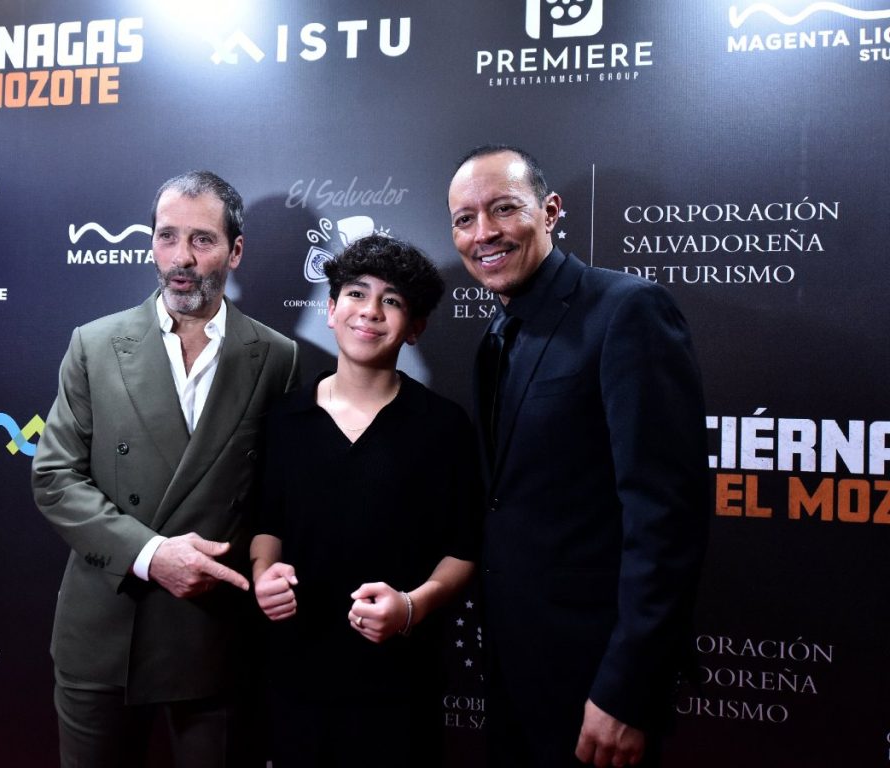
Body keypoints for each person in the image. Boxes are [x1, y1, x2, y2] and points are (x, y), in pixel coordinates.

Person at [447, 145, 709, 768]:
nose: (483, 232)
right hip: (512, 668)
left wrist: (627, 691)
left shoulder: (627, 310)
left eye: (503, 208)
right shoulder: (495, 335)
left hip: (597, 680)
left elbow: (666, 519)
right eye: (463, 218)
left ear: (551, 211)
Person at [32, 170, 299, 768]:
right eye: (166, 236)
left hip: (213, 637)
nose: (181, 258)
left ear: (236, 249)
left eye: (201, 240)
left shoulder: (278, 358)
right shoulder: (94, 345)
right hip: (104, 631)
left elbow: (280, 498)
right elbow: (55, 478)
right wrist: (154, 556)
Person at [250, 234, 480, 768]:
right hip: (295, 673)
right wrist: (265, 573)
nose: (370, 312)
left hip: (399, 684)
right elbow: (267, 523)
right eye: (356, 294)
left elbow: (464, 550)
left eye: (393, 301)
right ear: (330, 310)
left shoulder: (442, 426)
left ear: (416, 329)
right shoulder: (285, 417)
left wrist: (410, 607)